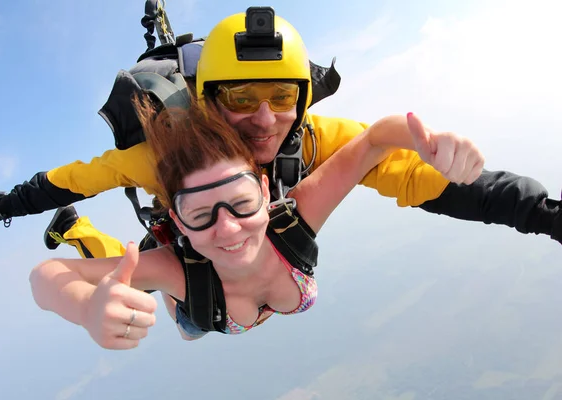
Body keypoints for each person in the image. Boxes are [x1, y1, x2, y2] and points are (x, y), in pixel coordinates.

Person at [0, 9, 560, 260]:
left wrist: (545, 213)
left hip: (261, 252)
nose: (265, 118)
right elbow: (70, 179)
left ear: (302, 99)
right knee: (183, 309)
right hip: (194, 244)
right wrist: (4, 203)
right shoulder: (160, 158)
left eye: (281, 96)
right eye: (239, 99)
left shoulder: (322, 136)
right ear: (205, 102)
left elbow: (424, 182)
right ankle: (78, 235)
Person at [29, 84, 484, 347]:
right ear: (179, 220)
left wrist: (427, 139)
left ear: (266, 191)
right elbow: (47, 275)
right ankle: (76, 229)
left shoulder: (294, 216)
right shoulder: (174, 268)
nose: (228, 227)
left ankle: (81, 231)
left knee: (149, 290)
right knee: (167, 310)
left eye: (243, 204)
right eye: (201, 214)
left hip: (216, 300)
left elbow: (372, 142)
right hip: (194, 307)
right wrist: (86, 307)